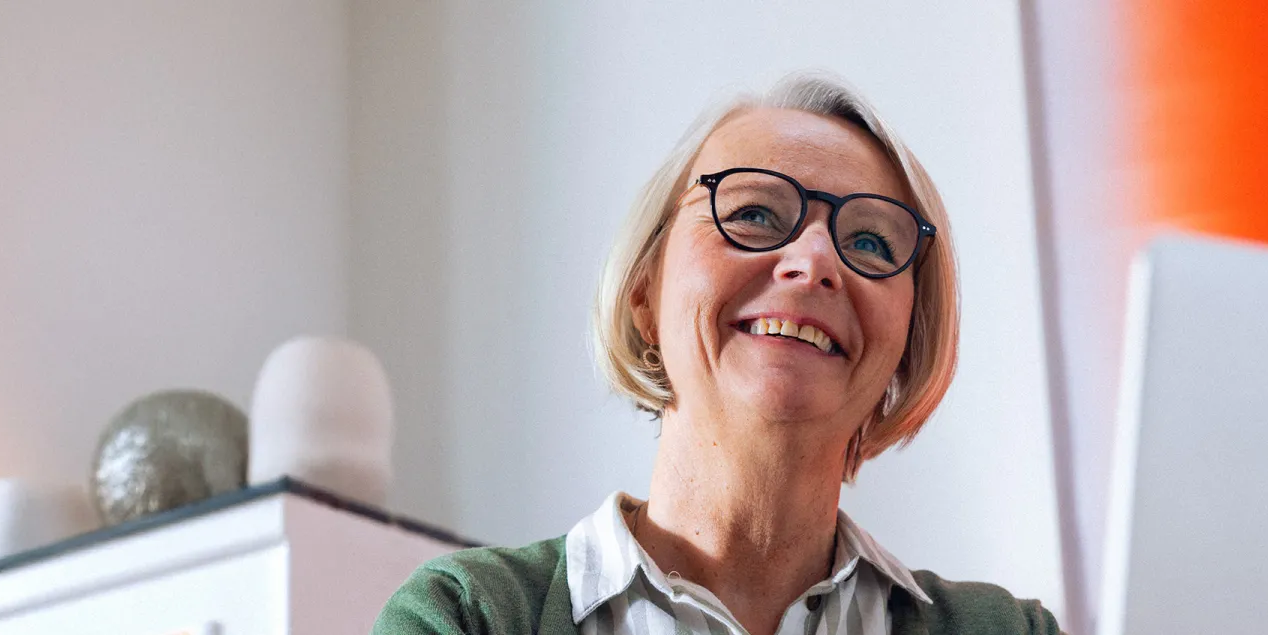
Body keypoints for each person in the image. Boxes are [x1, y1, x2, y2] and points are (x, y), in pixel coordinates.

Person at [374, 72, 1063, 635]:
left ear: (906, 346)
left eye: (870, 242)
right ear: (644, 291)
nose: (816, 262)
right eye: (754, 213)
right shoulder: (467, 616)